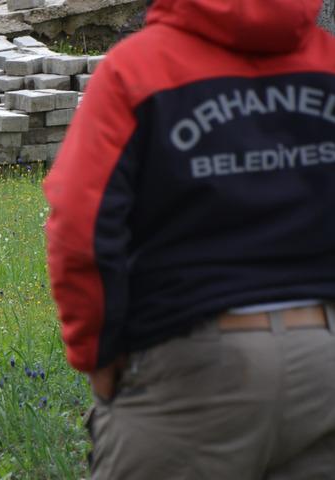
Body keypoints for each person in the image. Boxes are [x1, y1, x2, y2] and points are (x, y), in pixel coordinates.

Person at [42, 0, 335, 477]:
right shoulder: (329, 63)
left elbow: (81, 226)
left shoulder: (137, 70)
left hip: (193, 369)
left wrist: (96, 352)